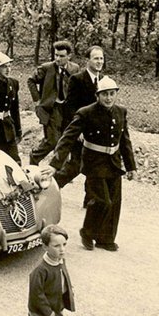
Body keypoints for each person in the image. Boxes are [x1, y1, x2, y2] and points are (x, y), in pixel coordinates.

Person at [46, 77, 136, 251]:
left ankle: (105, 239)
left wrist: (131, 167)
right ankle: (87, 232)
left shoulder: (121, 112)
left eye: (111, 94)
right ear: (97, 95)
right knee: (102, 200)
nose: (108, 98)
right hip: (93, 163)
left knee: (115, 202)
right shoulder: (86, 113)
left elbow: (125, 141)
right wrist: (55, 164)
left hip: (114, 163)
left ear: (116, 94)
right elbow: (68, 138)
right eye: (104, 95)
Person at [54, 45, 105, 188]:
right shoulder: (77, 79)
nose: (99, 62)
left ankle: (90, 201)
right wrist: (78, 130)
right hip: (81, 131)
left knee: (95, 166)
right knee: (75, 165)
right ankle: (51, 187)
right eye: (96, 58)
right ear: (87, 60)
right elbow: (70, 107)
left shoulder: (103, 80)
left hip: (97, 133)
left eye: (101, 58)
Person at [27, 41, 80, 166]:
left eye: (61, 56)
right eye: (56, 55)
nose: (57, 59)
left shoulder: (75, 69)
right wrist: (38, 100)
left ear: (69, 56)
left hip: (67, 108)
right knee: (52, 140)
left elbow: (78, 87)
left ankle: (59, 167)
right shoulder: (46, 68)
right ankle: (34, 157)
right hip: (51, 108)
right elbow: (31, 81)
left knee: (65, 138)